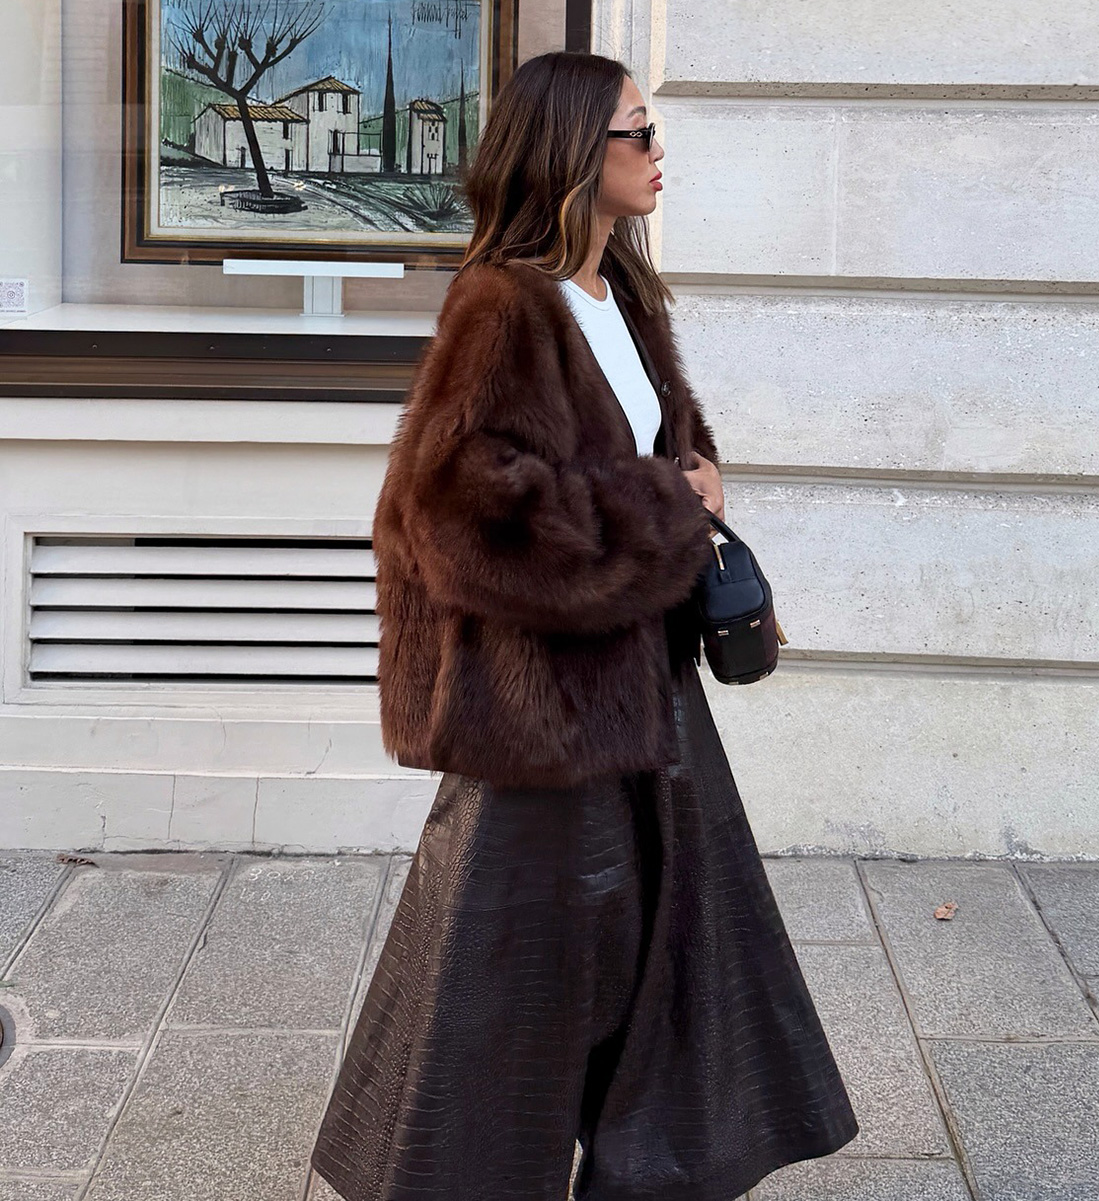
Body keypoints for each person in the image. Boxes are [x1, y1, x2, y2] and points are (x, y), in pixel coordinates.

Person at [310, 49, 858, 1201]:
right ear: (572, 151)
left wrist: (689, 486)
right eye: (638, 134)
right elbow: (458, 509)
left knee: (669, 954)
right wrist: (665, 508)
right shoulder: (505, 300)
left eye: (654, 133)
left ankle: (645, 1169)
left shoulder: (622, 289)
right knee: (507, 982)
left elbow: (649, 459)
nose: (660, 154)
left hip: (640, 686)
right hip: (544, 710)